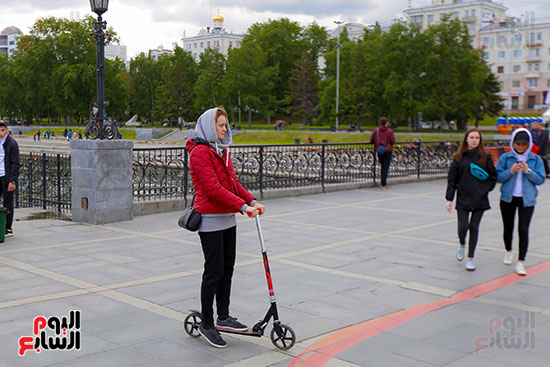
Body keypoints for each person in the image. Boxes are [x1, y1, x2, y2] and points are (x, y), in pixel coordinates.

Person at [186, 107, 265, 348]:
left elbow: (233, 183)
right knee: (213, 272)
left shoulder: (222, 151)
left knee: (227, 269)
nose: (225, 129)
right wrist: (243, 207)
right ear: (210, 126)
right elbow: (213, 189)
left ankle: (223, 316)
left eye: (225, 125)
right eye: (221, 125)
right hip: (210, 220)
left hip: (227, 219)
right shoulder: (200, 152)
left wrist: (251, 200)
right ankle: (207, 324)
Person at [445, 128, 497, 271]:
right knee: (463, 227)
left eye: (477, 138)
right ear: (466, 139)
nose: (474, 140)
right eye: (471, 137)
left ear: (480, 140)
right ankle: (462, 243)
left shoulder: (485, 157)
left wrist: (485, 189)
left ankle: (470, 258)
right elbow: (452, 180)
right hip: (463, 198)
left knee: (474, 228)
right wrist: (449, 199)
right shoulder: (458, 157)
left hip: (480, 199)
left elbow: (493, 177)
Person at [496, 128, 545, 275]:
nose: (520, 147)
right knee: (508, 227)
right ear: (513, 143)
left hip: (527, 199)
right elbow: (498, 177)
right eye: (518, 144)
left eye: (524, 144)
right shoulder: (505, 158)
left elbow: (541, 179)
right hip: (508, 198)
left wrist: (528, 171)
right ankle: (508, 251)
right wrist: (510, 171)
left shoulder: (536, 159)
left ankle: (521, 261)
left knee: (523, 229)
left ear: (528, 144)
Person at [0, 121, 20, 237]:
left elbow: (15, 163)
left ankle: (8, 227)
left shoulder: (12, 143)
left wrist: (12, 180)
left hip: (6, 177)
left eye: (2, 130)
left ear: (7, 129)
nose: (0, 133)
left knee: (8, 203)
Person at [370, 117, 395, 190]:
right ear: (386, 123)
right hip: (388, 151)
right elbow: (393, 142)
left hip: (379, 151)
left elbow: (371, 140)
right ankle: (383, 184)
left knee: (382, 166)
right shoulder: (390, 131)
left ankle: (382, 183)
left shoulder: (376, 131)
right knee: (385, 167)